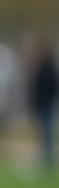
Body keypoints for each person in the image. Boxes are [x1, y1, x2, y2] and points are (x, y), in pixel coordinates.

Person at [26, 33, 57, 175]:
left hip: (46, 103)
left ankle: (47, 160)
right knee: (42, 133)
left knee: (47, 133)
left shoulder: (48, 67)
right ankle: (44, 158)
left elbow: (51, 85)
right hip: (41, 103)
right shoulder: (40, 66)